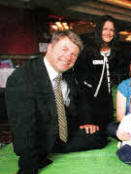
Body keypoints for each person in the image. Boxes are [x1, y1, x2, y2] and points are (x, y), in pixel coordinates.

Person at [5, 31, 107, 174]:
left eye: (73, 54)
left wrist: (86, 121)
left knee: (99, 137)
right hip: (39, 138)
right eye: (64, 49)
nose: (68, 57)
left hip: (63, 133)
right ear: (50, 47)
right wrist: (28, 167)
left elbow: (81, 100)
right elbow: (23, 126)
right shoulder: (22, 78)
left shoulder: (69, 73)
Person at [74, 15, 121, 133]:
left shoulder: (116, 51)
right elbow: (79, 74)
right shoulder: (88, 50)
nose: (108, 33)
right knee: (93, 132)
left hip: (107, 100)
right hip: (89, 99)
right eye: (105, 29)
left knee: (108, 130)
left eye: (111, 30)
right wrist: (89, 86)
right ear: (99, 30)